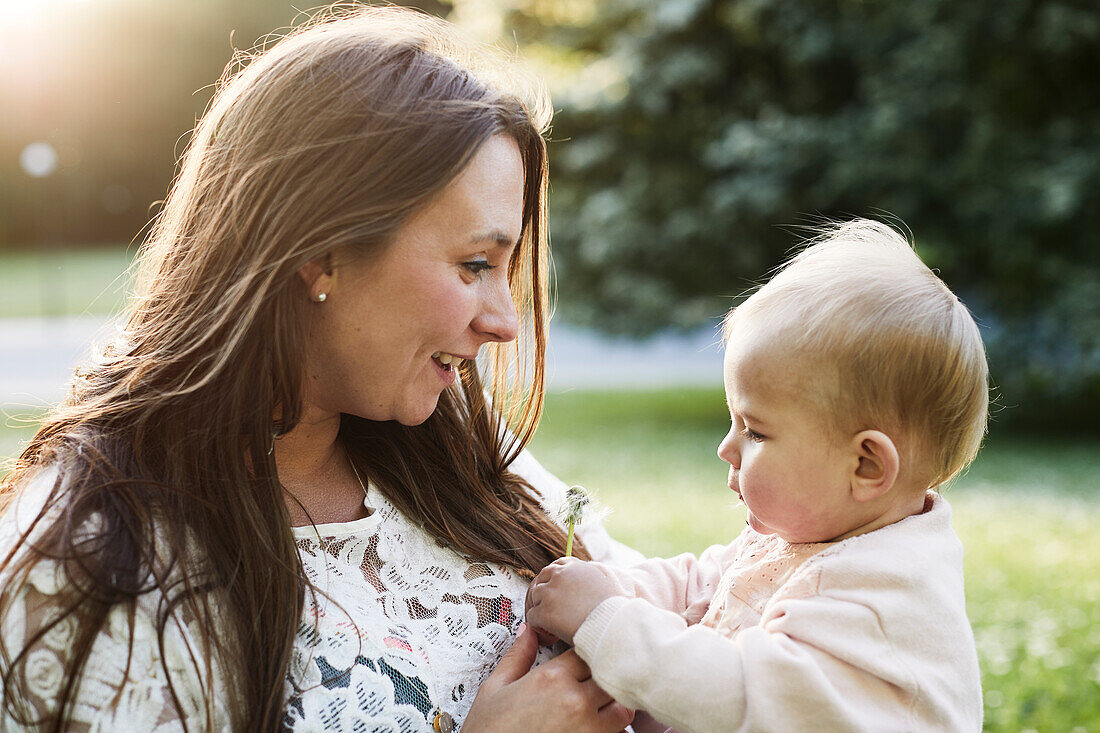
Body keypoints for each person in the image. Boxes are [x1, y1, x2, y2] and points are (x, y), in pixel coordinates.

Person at [0, 6, 639, 731]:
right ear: (321, 251)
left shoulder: (453, 456)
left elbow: (683, 618)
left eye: (506, 267)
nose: (504, 320)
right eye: (474, 264)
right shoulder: (91, 557)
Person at [525, 219, 989, 732]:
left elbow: (736, 692)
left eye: (756, 431)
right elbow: (698, 583)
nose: (727, 447)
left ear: (865, 466)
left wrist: (605, 620)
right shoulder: (815, 536)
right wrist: (612, 586)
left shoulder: (878, 601)